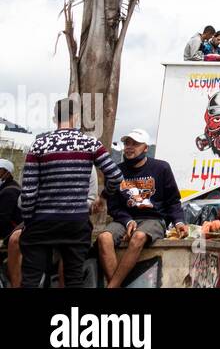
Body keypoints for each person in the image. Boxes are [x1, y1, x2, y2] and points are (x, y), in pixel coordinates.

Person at [18, 97, 123, 288]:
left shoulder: (39, 144)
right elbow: (115, 176)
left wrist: (28, 220)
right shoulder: (90, 144)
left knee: (31, 280)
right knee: (74, 279)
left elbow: (29, 191)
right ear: (76, 117)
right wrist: (103, 198)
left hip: (42, 222)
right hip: (76, 223)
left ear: (55, 118)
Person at [96, 128, 185, 288]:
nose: (129, 147)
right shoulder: (117, 171)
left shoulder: (162, 168)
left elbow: (173, 201)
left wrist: (179, 222)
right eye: (127, 143)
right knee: (104, 238)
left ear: (145, 148)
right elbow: (114, 206)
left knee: (138, 237)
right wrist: (127, 220)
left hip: (153, 219)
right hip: (125, 219)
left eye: (135, 144)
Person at [0, 157, 20, 287]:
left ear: (7, 173)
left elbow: (2, 219)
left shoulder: (10, 191)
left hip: (9, 235)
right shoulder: (10, 187)